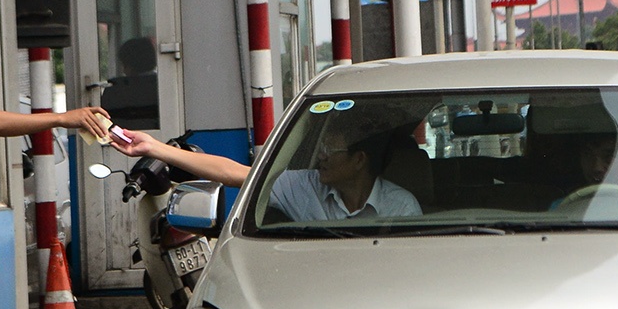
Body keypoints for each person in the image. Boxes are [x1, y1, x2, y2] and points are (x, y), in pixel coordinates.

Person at [112, 116, 421, 222]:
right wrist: (154, 148)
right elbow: (234, 172)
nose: (320, 158)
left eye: (330, 151)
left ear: (359, 160)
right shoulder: (303, 187)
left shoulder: (401, 206)